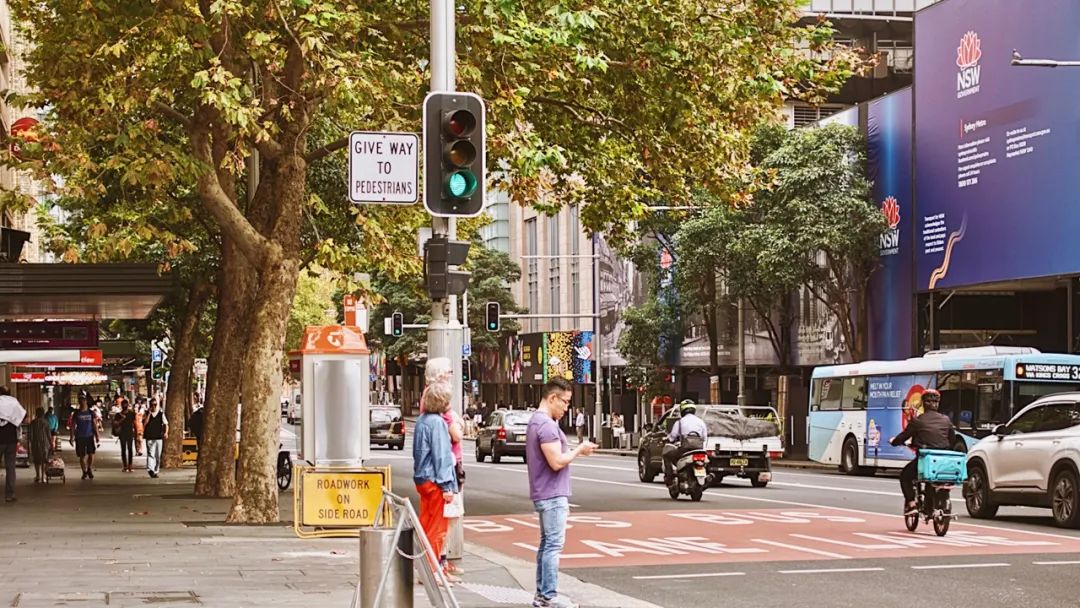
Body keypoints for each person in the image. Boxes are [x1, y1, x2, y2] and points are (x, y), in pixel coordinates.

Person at [527, 378, 596, 608]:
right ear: (552, 398)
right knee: (553, 545)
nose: (566, 407)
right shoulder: (546, 425)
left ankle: (542, 595)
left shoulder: (536, 421)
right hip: (552, 493)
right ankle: (548, 596)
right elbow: (556, 461)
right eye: (564, 402)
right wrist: (579, 449)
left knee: (547, 544)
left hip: (545, 492)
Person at [412, 380, 459, 583]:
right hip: (435, 482)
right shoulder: (438, 423)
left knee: (425, 523)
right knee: (437, 529)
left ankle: (425, 567)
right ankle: (431, 571)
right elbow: (441, 457)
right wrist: (448, 486)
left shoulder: (422, 421)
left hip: (422, 479)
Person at [889, 389, 955, 514]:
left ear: (923, 404)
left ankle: (911, 504)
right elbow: (952, 439)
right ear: (938, 404)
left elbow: (903, 437)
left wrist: (893, 441)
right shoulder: (946, 420)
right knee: (934, 479)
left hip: (925, 461)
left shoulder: (918, 421)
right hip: (942, 462)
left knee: (905, 476)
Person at [663, 400, 709, 485]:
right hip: (699, 449)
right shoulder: (701, 422)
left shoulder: (680, 422)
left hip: (685, 450)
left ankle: (669, 478)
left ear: (682, 411)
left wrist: (668, 439)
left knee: (667, 455)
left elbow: (673, 437)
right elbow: (705, 437)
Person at [0, 386, 26, 502]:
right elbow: (23, 418)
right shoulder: (14, 402)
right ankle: (10, 494)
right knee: (10, 468)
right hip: (11, 440)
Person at [69, 397, 99, 480]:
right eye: (80, 402)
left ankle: (89, 468)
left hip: (89, 436)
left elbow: (94, 425)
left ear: (86, 402)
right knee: (82, 456)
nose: (82, 403)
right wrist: (71, 437)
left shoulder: (91, 413)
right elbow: (73, 426)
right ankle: (84, 471)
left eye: (83, 401)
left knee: (91, 454)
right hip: (80, 436)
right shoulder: (76, 413)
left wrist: (97, 436)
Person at [143, 399, 168, 478]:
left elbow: (166, 424)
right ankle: (151, 469)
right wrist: (149, 414)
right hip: (149, 436)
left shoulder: (161, 414)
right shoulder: (147, 413)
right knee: (151, 454)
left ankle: (156, 470)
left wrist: (166, 432)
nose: (153, 406)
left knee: (157, 455)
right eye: (152, 405)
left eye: (155, 405)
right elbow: (145, 423)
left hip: (158, 437)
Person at [29, 407, 51, 483]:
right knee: (44, 460)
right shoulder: (46, 422)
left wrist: (30, 445)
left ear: (36, 413)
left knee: (37, 460)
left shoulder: (33, 423)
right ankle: (43, 477)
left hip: (36, 444)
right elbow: (49, 435)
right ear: (43, 414)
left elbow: (31, 436)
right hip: (45, 444)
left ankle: (38, 476)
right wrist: (51, 444)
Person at [117, 399, 137, 472]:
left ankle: (130, 465)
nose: (125, 406)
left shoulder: (132, 414)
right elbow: (116, 424)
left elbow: (134, 423)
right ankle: (125, 466)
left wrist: (136, 433)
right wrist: (122, 419)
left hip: (129, 433)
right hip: (122, 434)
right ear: (121, 406)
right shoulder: (119, 415)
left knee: (130, 449)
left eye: (126, 404)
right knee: (123, 450)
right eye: (123, 404)